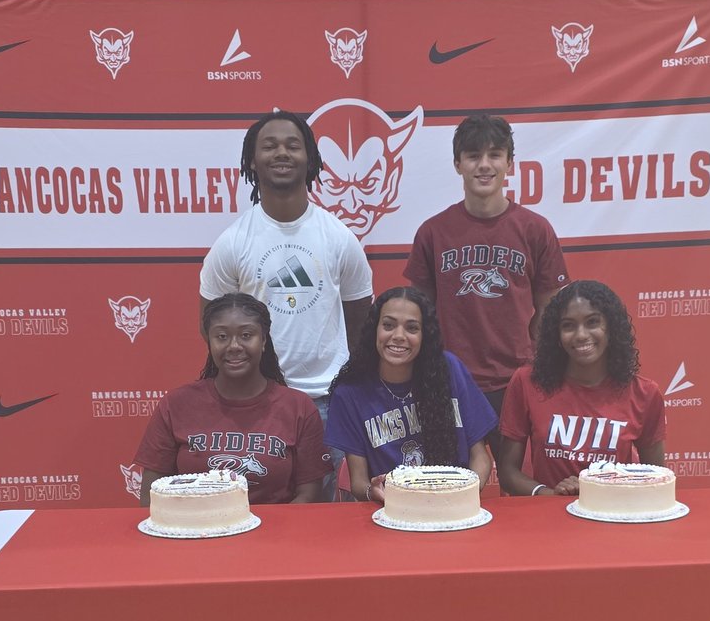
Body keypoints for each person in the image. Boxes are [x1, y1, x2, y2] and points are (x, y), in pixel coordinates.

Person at [199, 109, 374, 497]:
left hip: (329, 403)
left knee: (333, 521)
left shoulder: (340, 238)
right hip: (258, 404)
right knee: (263, 515)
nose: (282, 153)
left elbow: (363, 324)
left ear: (310, 159)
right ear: (251, 161)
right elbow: (213, 326)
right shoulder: (232, 242)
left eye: (293, 145)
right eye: (270, 146)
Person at [404, 113, 569, 457]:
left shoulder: (535, 229)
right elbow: (420, 313)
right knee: (453, 484)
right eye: (473, 156)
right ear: (457, 164)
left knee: (521, 488)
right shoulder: (433, 232)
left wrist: (538, 367)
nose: (484, 165)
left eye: (494, 155)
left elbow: (551, 311)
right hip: (453, 381)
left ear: (510, 163)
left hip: (517, 381)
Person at [136, 294, 330, 505]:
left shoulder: (298, 407)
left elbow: (309, 495)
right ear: (209, 342)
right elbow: (150, 495)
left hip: (274, 534)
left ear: (263, 340)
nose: (234, 346)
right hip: (194, 531)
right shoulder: (175, 405)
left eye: (246, 335)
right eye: (221, 336)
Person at [326, 287, 497, 505]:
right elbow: (358, 482)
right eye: (388, 325)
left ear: (425, 335)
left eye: (412, 328)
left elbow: (480, 456)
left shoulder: (449, 370)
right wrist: (373, 491)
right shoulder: (350, 393)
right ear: (374, 330)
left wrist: (466, 493)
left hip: (454, 504)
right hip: (393, 511)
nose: (398, 336)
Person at [497, 280, 666, 496]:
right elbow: (507, 472)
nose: (581, 335)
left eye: (592, 322)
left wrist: (600, 489)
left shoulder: (645, 393)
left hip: (614, 518)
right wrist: (549, 495)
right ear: (556, 334)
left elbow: (656, 478)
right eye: (568, 325)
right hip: (549, 519)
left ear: (611, 327)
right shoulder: (526, 382)